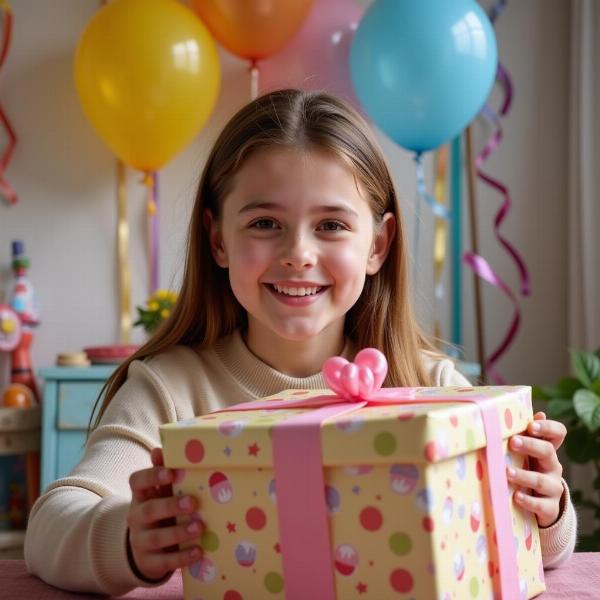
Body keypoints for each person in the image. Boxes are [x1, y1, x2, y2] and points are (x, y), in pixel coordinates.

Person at [25, 89, 576, 594]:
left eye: (332, 225)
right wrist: (127, 539)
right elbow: (51, 525)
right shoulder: (171, 389)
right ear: (218, 240)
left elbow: (539, 547)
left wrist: (546, 508)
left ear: (377, 246)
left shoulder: (428, 385)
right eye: (265, 223)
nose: (298, 254)